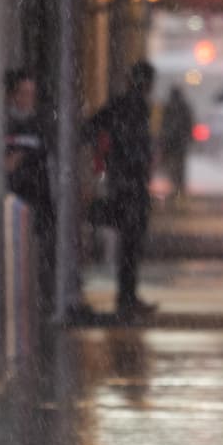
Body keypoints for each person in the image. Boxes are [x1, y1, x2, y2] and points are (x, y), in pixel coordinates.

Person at [83, 60, 158, 318]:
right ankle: (126, 298)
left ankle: (126, 297)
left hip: (123, 183)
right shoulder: (135, 107)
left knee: (130, 243)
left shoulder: (120, 105)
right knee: (132, 243)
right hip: (130, 185)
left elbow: (91, 128)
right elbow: (137, 148)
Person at [4, 69, 55, 308]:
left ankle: (38, 302)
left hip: (36, 205)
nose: (28, 99)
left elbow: (43, 162)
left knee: (37, 261)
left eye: (31, 94)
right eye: (23, 93)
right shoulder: (5, 125)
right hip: (12, 207)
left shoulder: (40, 125)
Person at [159, 86, 194, 198]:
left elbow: (164, 124)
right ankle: (179, 186)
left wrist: (164, 138)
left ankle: (176, 186)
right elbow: (189, 124)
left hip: (172, 141)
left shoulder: (169, 107)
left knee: (173, 165)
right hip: (180, 142)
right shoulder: (184, 107)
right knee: (179, 165)